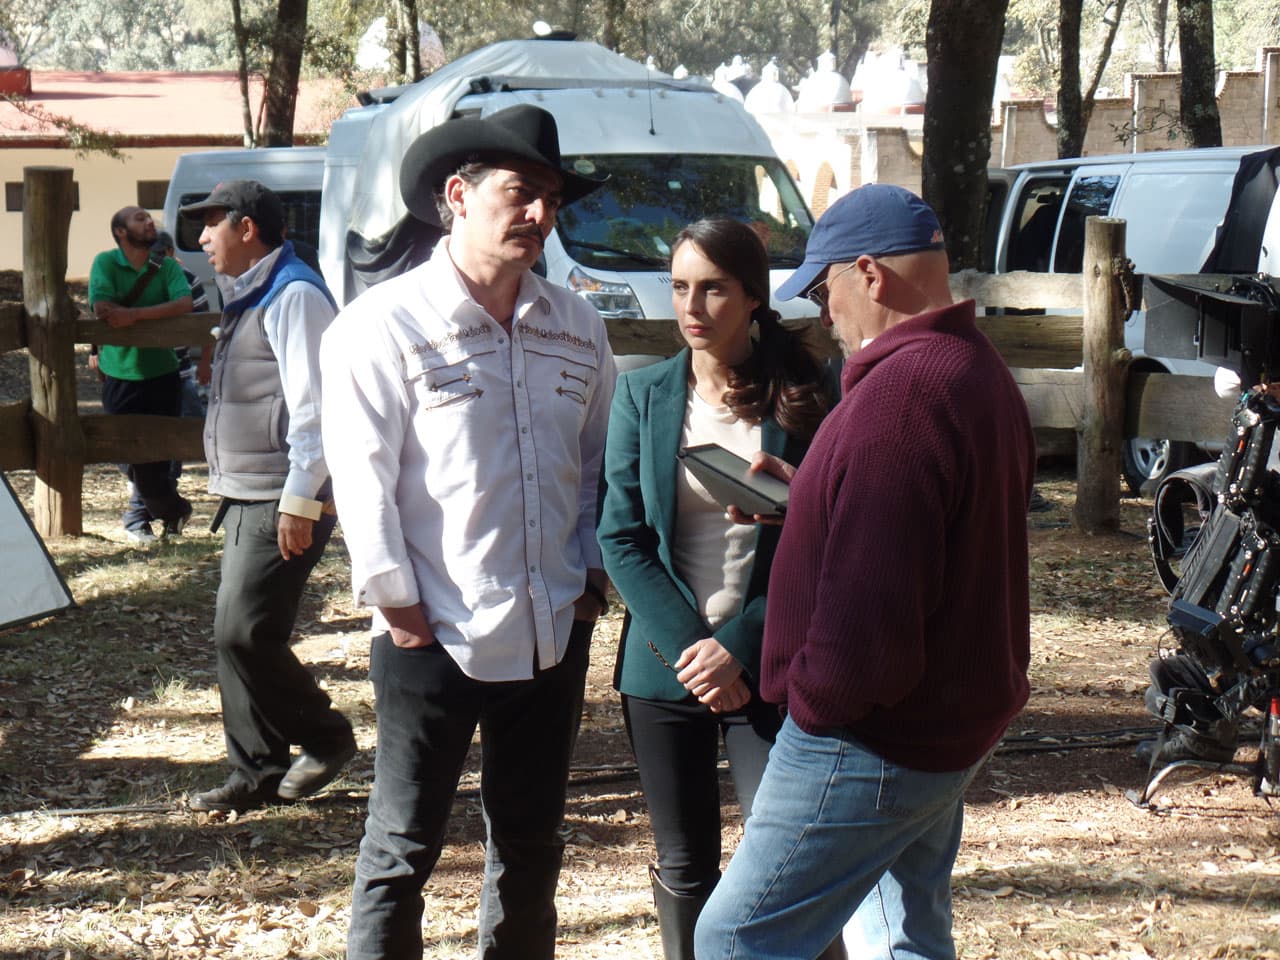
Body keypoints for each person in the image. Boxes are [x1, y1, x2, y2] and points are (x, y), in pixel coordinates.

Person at [694, 184, 1037, 960]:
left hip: (870, 735)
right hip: (947, 723)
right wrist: (809, 501)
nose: (822, 312)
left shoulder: (902, 398)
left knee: (733, 938)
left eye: (824, 289)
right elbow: (935, 525)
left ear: (870, 275)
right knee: (899, 935)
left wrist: (811, 707)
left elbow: (868, 632)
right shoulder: (974, 367)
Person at [320, 104, 617, 960]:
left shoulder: (577, 326)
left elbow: (594, 467)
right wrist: (399, 608)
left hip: (552, 628)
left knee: (530, 845)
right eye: (521, 193)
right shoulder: (383, 327)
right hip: (431, 632)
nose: (539, 216)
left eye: (552, 201)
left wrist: (589, 584)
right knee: (404, 847)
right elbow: (363, 481)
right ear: (457, 194)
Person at [597, 218, 832, 960]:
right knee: (684, 861)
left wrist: (737, 645)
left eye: (713, 289)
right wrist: (696, 649)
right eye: (679, 288)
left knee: (787, 862)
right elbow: (621, 536)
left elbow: (823, 545)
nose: (692, 307)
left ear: (754, 297)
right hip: (665, 669)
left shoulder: (809, 394)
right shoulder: (641, 396)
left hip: (769, 659)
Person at [177, 180, 356, 814]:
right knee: (242, 633)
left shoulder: (295, 296)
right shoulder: (251, 293)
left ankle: (326, 737)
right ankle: (255, 771)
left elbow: (318, 409)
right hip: (248, 492)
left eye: (210, 224)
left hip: (281, 494)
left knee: (243, 632)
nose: (201, 238)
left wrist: (300, 500)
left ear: (247, 228)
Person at [87, 206, 194, 543]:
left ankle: (146, 517)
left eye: (148, 218)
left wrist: (133, 316)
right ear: (120, 231)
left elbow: (184, 304)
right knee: (125, 452)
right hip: (118, 373)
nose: (149, 221)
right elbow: (101, 307)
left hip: (163, 373)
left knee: (159, 452)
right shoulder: (104, 263)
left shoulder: (165, 266)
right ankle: (173, 510)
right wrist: (150, 315)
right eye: (138, 218)